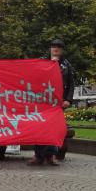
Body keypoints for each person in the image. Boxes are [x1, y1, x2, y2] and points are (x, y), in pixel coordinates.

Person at [30, 39, 74, 167]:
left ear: (62, 50)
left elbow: (71, 83)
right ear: (50, 49)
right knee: (39, 127)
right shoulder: (41, 61)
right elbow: (33, 77)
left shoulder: (66, 65)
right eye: (53, 46)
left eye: (59, 47)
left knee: (54, 129)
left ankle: (50, 155)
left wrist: (68, 99)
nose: (56, 49)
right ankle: (38, 155)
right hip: (42, 102)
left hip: (57, 103)